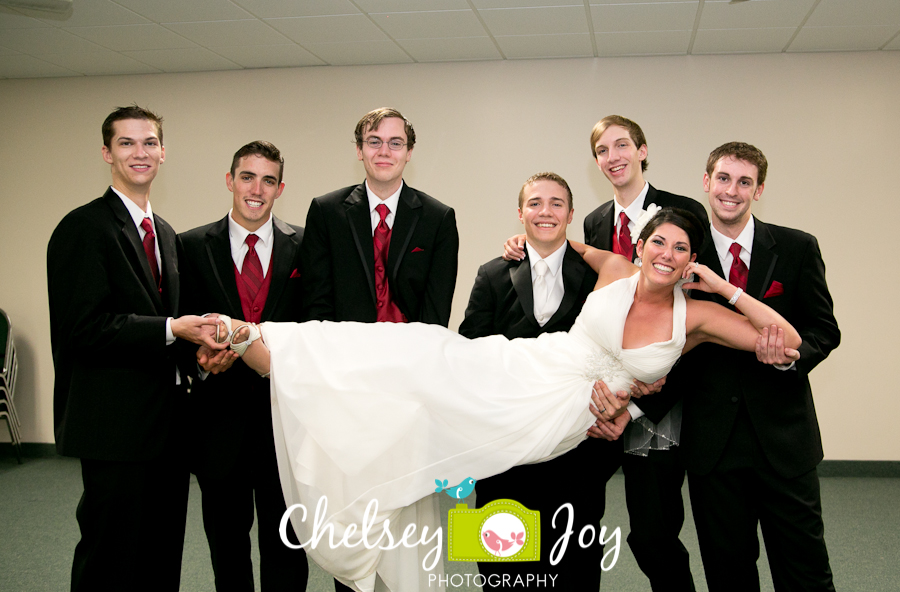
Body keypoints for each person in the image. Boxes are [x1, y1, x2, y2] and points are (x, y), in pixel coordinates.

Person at [212, 207, 800, 592]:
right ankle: (268, 346)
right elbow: (493, 306)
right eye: (659, 243)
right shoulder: (534, 269)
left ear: (688, 257)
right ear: (641, 246)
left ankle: (283, 359)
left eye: (680, 248)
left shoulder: (693, 313)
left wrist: (724, 288)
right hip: (512, 368)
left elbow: (788, 342)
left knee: (566, 539)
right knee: (416, 359)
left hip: (570, 423)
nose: (666, 254)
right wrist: (533, 238)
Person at [505, 115, 709, 590]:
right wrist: (527, 239)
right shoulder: (595, 221)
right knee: (574, 517)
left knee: (652, 535)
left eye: (622, 146)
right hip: (588, 400)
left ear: (642, 150)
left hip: (654, 401)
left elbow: (696, 324)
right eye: (602, 150)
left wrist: (639, 399)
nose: (613, 157)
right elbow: (573, 260)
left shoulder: (682, 213)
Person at [47, 105, 223, 591]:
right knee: (111, 558)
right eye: (126, 143)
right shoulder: (84, 228)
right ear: (107, 153)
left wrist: (201, 354)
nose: (139, 152)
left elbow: (170, 325)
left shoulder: (165, 233)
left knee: (160, 556)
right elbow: (84, 328)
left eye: (149, 142)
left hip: (166, 429)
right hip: (114, 428)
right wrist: (173, 328)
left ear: (163, 153)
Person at [655, 143, 840, 591]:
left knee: (806, 573)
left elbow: (823, 330)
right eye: (723, 178)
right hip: (712, 445)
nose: (731, 191)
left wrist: (791, 360)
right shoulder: (682, 254)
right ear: (706, 182)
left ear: (759, 190)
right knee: (729, 576)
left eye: (744, 182)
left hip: (784, 440)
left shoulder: (796, 247)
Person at [458, 172, 605, 589]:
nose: (546, 211)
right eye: (535, 203)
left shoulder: (597, 276)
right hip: (505, 450)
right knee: (501, 568)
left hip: (576, 448)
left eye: (557, 203)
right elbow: (471, 347)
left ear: (572, 214)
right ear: (520, 213)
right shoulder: (490, 273)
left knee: (574, 566)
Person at [177, 141, 308, 591]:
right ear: (230, 181)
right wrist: (197, 360)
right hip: (218, 424)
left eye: (268, 180)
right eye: (247, 177)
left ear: (280, 188)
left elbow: (317, 326)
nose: (257, 189)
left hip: (285, 425)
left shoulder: (306, 247)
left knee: (287, 547)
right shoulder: (190, 247)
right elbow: (178, 323)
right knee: (227, 549)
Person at [300, 107, 459, 327]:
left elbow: (436, 306)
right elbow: (316, 300)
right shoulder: (326, 213)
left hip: (411, 352)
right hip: (343, 350)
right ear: (359, 150)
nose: (384, 151)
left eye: (395, 143)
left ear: (409, 152)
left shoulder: (438, 219)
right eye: (374, 142)